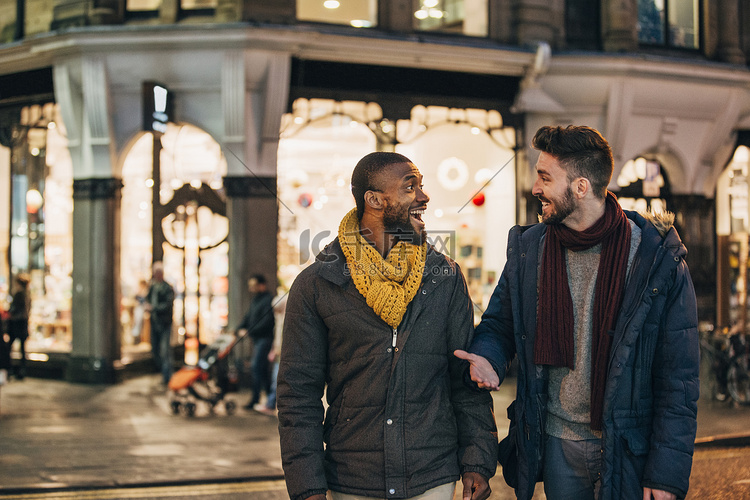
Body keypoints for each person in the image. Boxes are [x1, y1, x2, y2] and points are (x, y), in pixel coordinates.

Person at [455, 125, 700, 500]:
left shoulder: (655, 259)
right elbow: (500, 325)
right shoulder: (529, 250)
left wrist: (665, 474)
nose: (535, 188)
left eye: (544, 177)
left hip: (629, 446)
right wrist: (489, 357)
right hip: (556, 445)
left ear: (581, 187)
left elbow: (679, 379)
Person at [277, 152, 497, 500]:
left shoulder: (445, 277)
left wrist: (477, 460)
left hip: (432, 472)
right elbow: (298, 395)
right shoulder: (318, 283)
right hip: (353, 477)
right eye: (411, 187)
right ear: (375, 200)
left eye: (421, 186)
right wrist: (307, 487)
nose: (424, 197)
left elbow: (464, 378)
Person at [236, 274, 275, 411]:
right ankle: (269, 397)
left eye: (254, 285)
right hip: (257, 339)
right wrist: (239, 328)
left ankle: (257, 398)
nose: (251, 288)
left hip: (265, 339)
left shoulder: (268, 300)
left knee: (257, 367)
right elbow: (248, 317)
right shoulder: (255, 300)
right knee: (261, 369)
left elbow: (266, 322)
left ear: (262, 285)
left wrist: (249, 331)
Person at [146, 262, 174, 386]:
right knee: (155, 349)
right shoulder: (152, 286)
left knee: (165, 351)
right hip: (155, 322)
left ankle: (167, 376)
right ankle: (162, 371)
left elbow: (167, 305)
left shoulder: (167, 288)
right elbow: (147, 298)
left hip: (164, 323)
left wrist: (154, 308)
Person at [7, 275, 30, 380]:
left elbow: (13, 309)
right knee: (22, 348)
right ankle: (22, 370)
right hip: (23, 323)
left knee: (9, 347)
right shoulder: (27, 294)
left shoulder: (19, 294)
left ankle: (9, 369)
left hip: (17, 323)